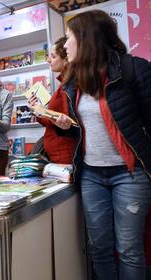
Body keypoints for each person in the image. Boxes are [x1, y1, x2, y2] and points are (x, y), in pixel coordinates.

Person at [58, 10, 151, 280]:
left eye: (68, 38)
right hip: (91, 175)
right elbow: (85, 129)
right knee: (99, 247)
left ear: (86, 39)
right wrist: (68, 126)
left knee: (129, 248)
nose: (64, 45)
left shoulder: (135, 68)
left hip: (129, 174)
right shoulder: (75, 80)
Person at [28, 37, 77, 164]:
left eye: (53, 56)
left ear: (66, 60)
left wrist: (41, 111)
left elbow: (64, 122)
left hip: (64, 152)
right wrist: (39, 111)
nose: (49, 60)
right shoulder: (64, 85)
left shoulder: (68, 87)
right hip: (58, 151)